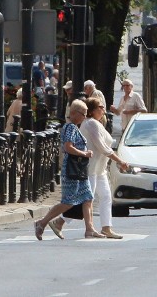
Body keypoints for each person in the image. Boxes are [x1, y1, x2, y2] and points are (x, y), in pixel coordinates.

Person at [49, 97, 129, 239]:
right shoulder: (91, 123)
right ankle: (59, 221)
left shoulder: (96, 123)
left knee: (104, 196)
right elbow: (102, 147)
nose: (103, 109)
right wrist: (120, 161)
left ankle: (106, 227)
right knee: (85, 199)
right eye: (100, 107)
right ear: (92, 110)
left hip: (99, 168)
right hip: (90, 168)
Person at [34, 99, 105, 240]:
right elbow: (68, 147)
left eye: (86, 114)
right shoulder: (70, 127)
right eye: (82, 114)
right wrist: (84, 153)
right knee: (68, 201)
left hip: (79, 170)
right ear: (73, 113)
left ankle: (89, 229)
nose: (85, 117)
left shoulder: (74, 128)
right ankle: (41, 223)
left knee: (88, 198)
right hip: (72, 170)